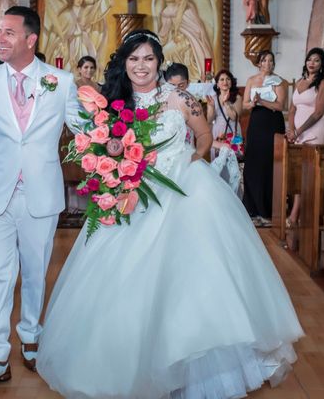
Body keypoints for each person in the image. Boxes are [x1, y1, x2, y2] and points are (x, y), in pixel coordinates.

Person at [36, 30, 303, 398]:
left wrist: (190, 161)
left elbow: (205, 137)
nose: (141, 66)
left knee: (194, 276)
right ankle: (126, 361)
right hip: (134, 192)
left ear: (158, 62)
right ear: (124, 64)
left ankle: (197, 365)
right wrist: (115, 167)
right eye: (133, 59)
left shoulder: (179, 97)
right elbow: (106, 147)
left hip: (184, 188)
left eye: (148, 58)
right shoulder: (115, 104)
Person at [0, 6, 81, 388]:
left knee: (34, 272)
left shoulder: (61, 82)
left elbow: (83, 130)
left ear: (31, 40)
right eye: (0, 32)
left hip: (41, 193)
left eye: (9, 32)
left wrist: (116, 143)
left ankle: (30, 335)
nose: (1, 39)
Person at [285, 48, 324, 229]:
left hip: (314, 131)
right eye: (309, 59)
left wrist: (299, 131)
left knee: (308, 175)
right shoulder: (300, 82)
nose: (312, 63)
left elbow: (319, 112)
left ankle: (296, 215)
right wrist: (291, 129)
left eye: (316, 60)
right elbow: (292, 109)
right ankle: (300, 214)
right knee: (299, 174)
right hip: (298, 132)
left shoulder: (323, 84)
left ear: (321, 65)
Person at [242, 50, 287, 227]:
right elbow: (245, 104)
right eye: (264, 60)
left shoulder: (279, 81)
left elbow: (280, 105)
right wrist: (252, 103)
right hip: (256, 122)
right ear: (259, 63)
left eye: (270, 61)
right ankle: (252, 209)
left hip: (272, 123)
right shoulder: (252, 80)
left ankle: (267, 211)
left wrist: (262, 102)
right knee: (253, 163)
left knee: (268, 164)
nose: (267, 63)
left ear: (273, 64)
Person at [211, 69, 243, 159]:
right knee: (218, 160)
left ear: (231, 82)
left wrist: (226, 103)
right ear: (217, 84)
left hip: (233, 130)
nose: (225, 81)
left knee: (233, 160)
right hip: (218, 131)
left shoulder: (237, 97)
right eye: (222, 79)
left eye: (228, 79)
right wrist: (210, 107)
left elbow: (234, 118)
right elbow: (210, 119)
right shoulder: (214, 98)